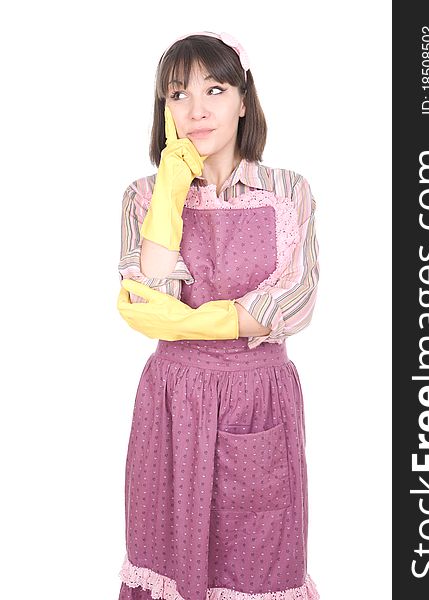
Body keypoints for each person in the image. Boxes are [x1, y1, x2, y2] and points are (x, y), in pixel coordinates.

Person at [116, 31, 320, 600]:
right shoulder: (142, 195)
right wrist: (171, 190)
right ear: (164, 108)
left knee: (259, 560)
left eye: (215, 89)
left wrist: (190, 320)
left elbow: (295, 300)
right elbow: (145, 294)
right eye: (178, 95)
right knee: (166, 554)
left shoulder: (288, 191)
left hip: (257, 398)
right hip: (171, 401)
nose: (196, 110)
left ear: (243, 99)